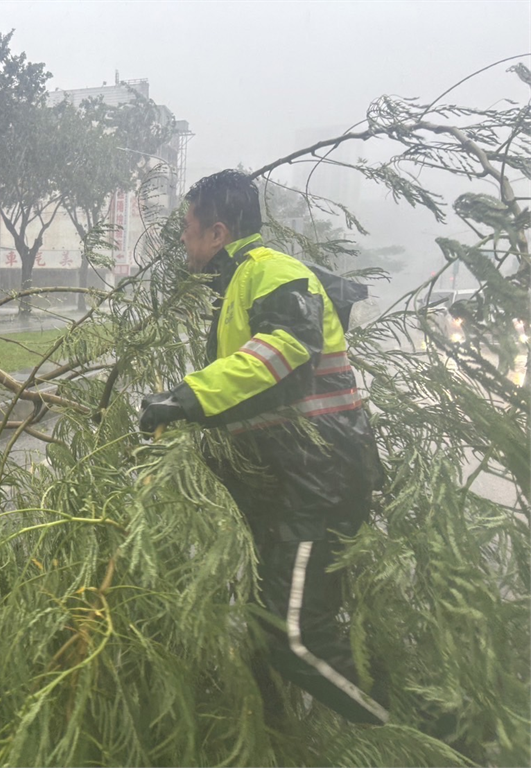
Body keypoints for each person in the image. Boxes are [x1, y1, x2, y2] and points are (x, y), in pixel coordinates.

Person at [138, 170, 389, 725]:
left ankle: (416, 734)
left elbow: (287, 353)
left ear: (218, 233)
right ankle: (273, 732)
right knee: (259, 614)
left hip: (319, 481)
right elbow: (247, 390)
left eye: (187, 226)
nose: (181, 237)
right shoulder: (238, 283)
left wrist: (186, 399)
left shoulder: (272, 272)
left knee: (296, 638)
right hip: (288, 482)